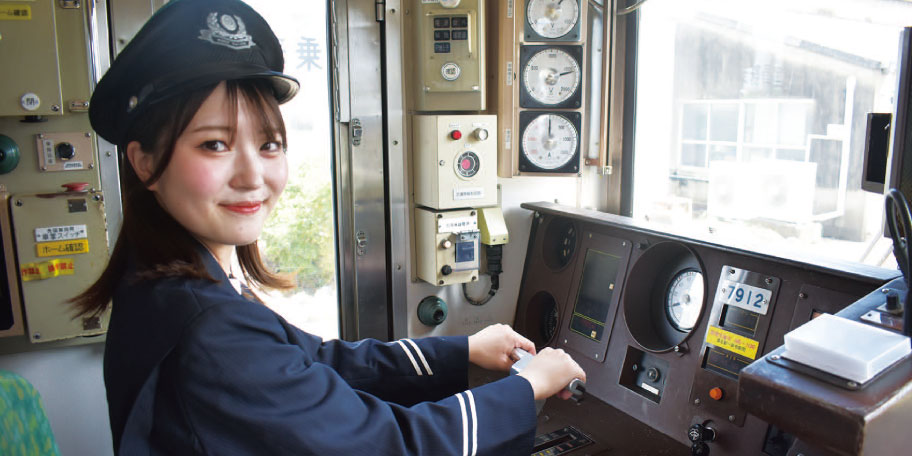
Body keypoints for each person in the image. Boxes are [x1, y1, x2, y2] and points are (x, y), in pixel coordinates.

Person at [74, 0, 587, 454]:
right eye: (215, 144)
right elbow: (388, 444)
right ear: (143, 162)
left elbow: (313, 361)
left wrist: (463, 349)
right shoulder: (207, 326)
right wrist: (528, 387)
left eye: (269, 144)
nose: (254, 176)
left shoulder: (173, 282)